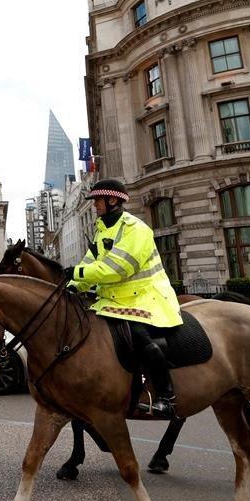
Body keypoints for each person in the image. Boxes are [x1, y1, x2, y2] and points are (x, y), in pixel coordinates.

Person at [68, 179, 182, 419]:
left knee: (139, 335)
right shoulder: (102, 229)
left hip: (146, 297)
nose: (95, 206)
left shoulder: (135, 228)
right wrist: (71, 286)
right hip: (114, 300)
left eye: (98, 201)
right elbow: (90, 264)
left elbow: (116, 269)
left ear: (112, 200)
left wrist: (76, 273)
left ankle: (166, 397)